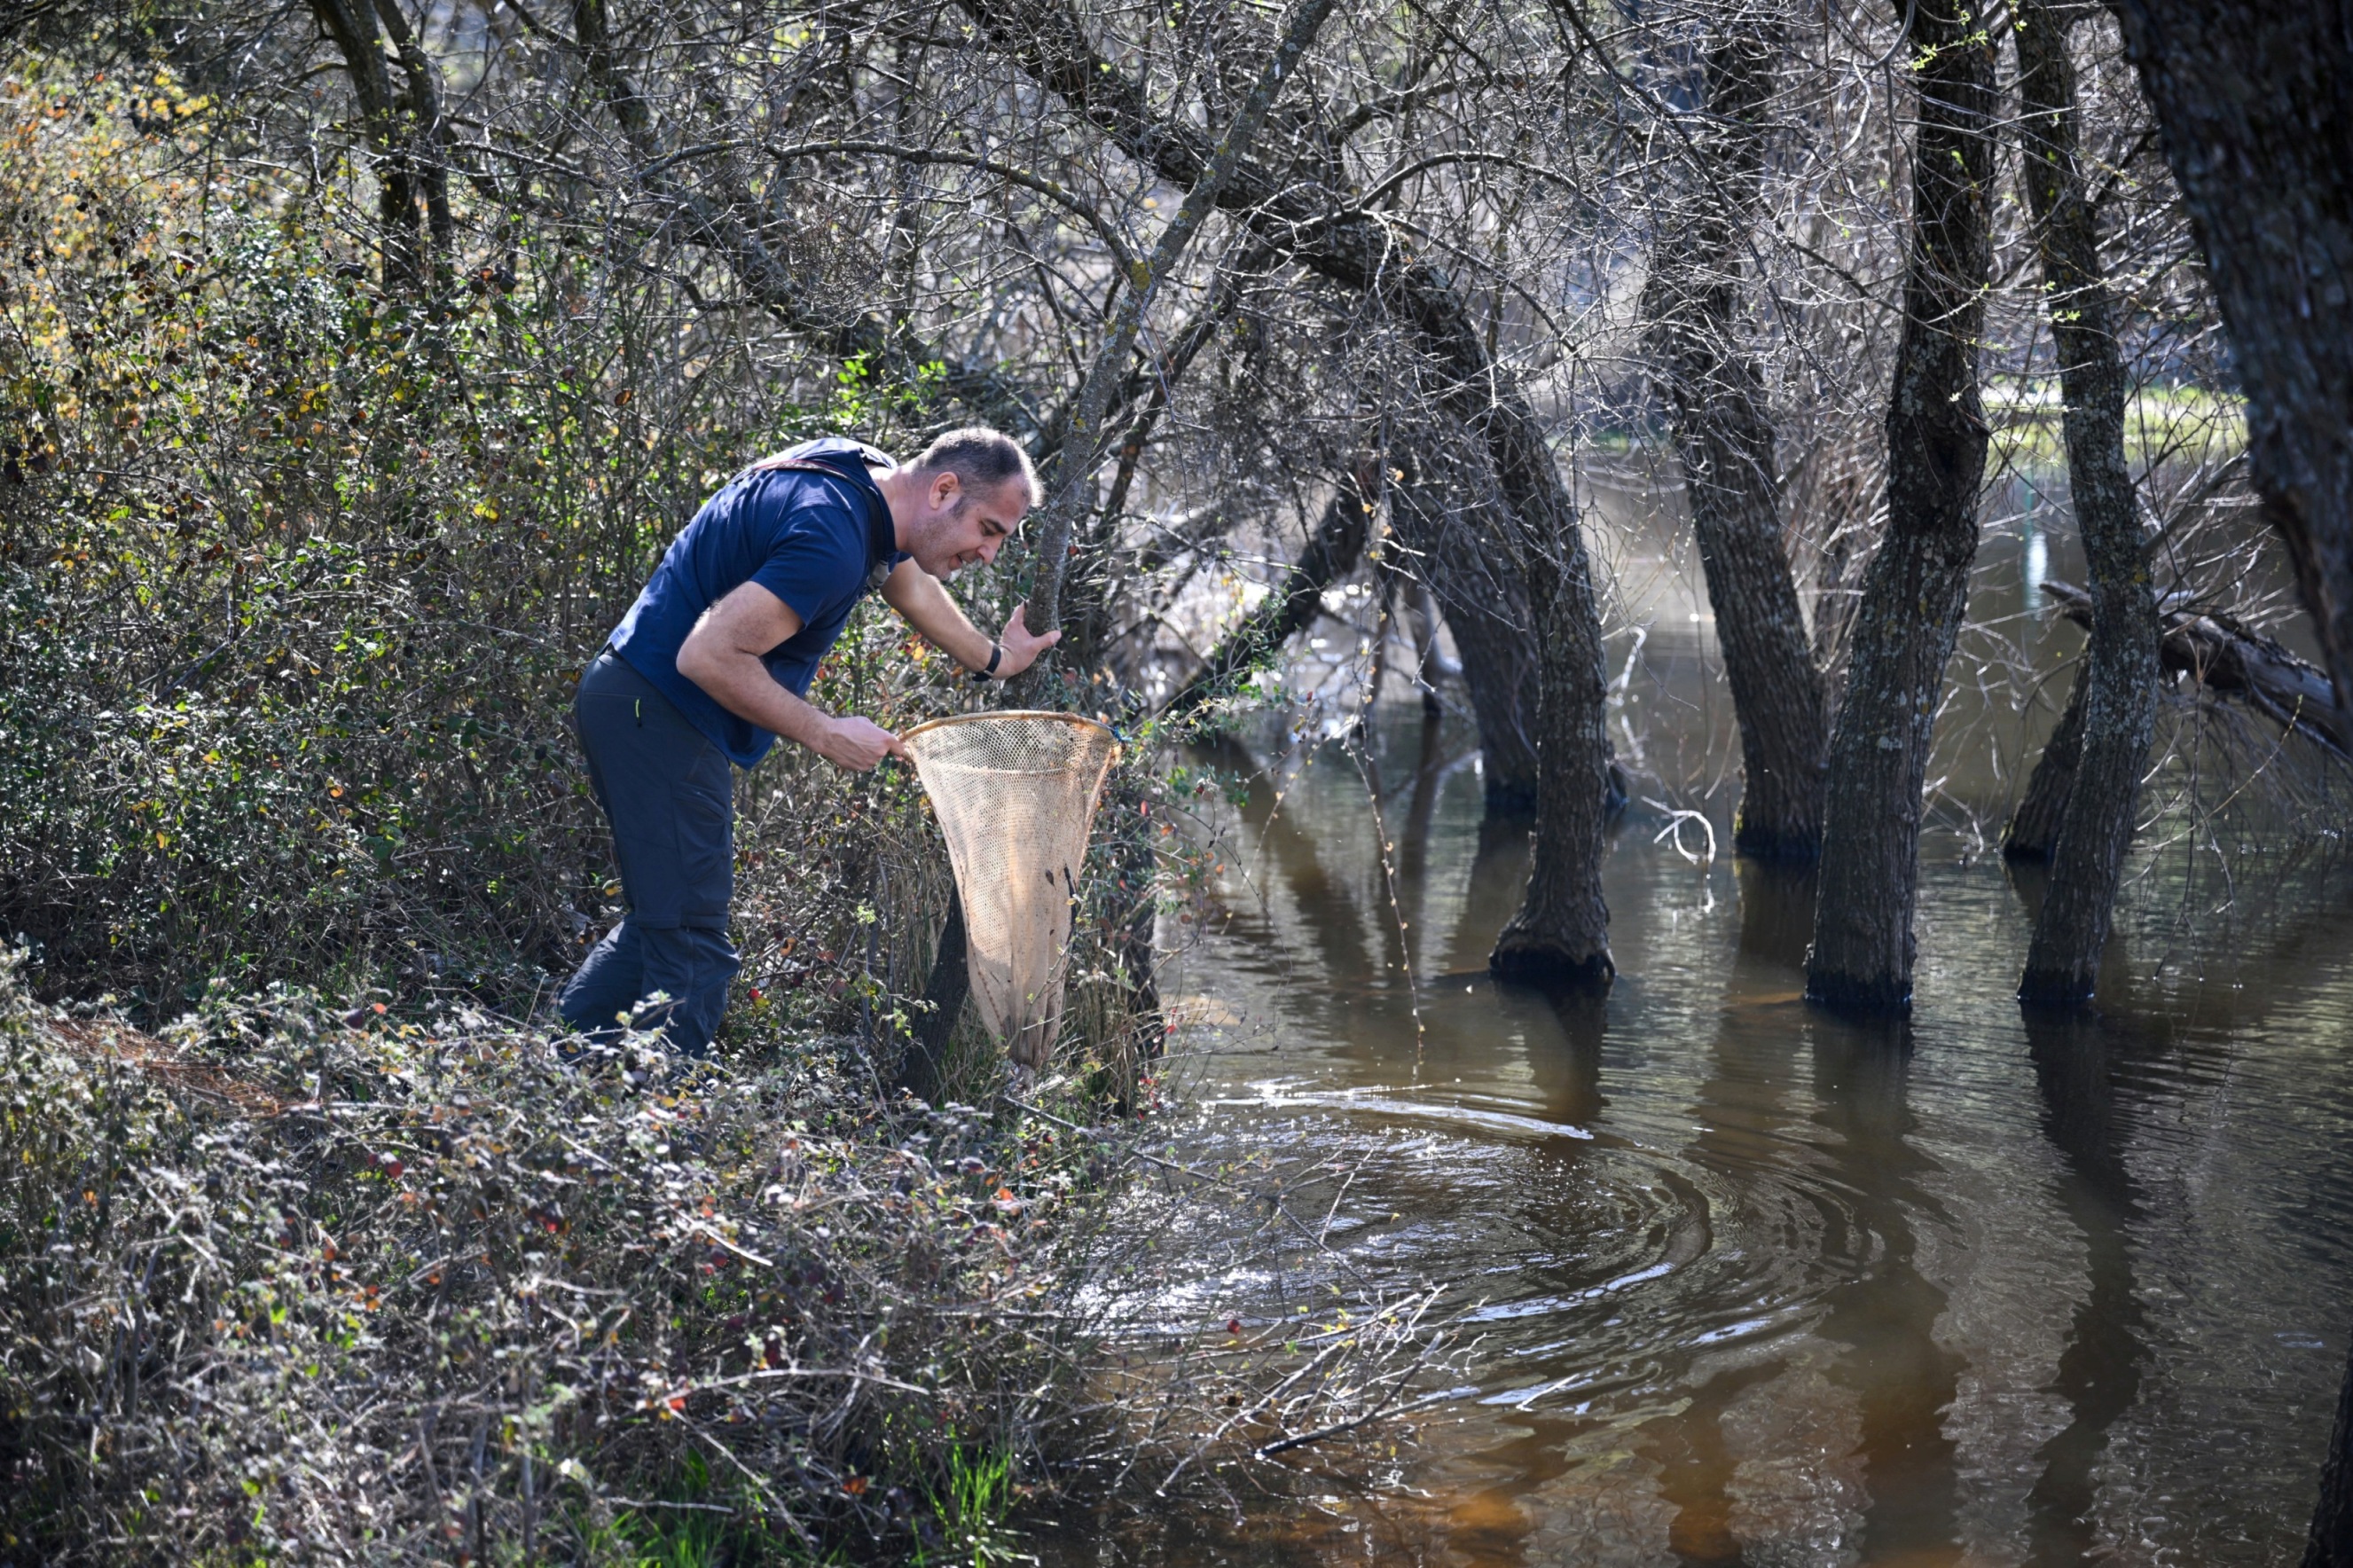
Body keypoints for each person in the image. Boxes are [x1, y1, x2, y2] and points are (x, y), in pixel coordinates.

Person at [556, 427, 1056, 1054]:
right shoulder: (829, 538)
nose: (988, 554)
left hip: (630, 699)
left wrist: (994, 659)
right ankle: (654, 1130)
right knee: (691, 946)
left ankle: (555, 1082)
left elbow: (907, 581)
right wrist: (824, 732)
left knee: (663, 925)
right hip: (654, 711)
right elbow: (708, 656)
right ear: (943, 489)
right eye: (987, 530)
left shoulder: (860, 475)